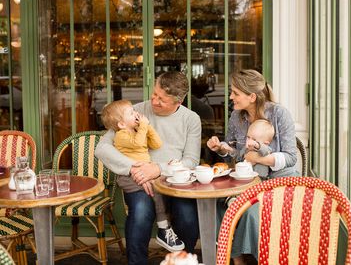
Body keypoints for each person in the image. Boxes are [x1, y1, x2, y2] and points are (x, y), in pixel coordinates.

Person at [95, 71, 201, 265]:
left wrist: (158, 169)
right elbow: (102, 148)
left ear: (179, 101)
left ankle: (182, 261)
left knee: (188, 217)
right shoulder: (135, 112)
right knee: (141, 212)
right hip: (140, 180)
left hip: (175, 181)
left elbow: (191, 161)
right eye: (155, 94)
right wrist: (133, 168)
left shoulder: (191, 119)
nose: (154, 101)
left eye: (162, 99)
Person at [207, 69, 299, 264]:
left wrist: (258, 159)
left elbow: (291, 158)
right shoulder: (236, 116)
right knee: (216, 206)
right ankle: (236, 258)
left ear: (252, 96)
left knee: (249, 212)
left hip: (280, 182)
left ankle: (266, 259)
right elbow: (233, 148)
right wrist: (220, 147)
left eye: (235, 93)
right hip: (249, 181)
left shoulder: (279, 114)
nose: (231, 97)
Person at [100, 99, 184, 252]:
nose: (136, 114)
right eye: (131, 113)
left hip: (147, 173)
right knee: (153, 194)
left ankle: (164, 229)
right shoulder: (121, 135)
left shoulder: (136, 131)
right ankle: (164, 228)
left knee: (158, 191)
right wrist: (144, 126)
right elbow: (138, 144)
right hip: (128, 178)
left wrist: (148, 127)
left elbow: (157, 144)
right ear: (121, 124)